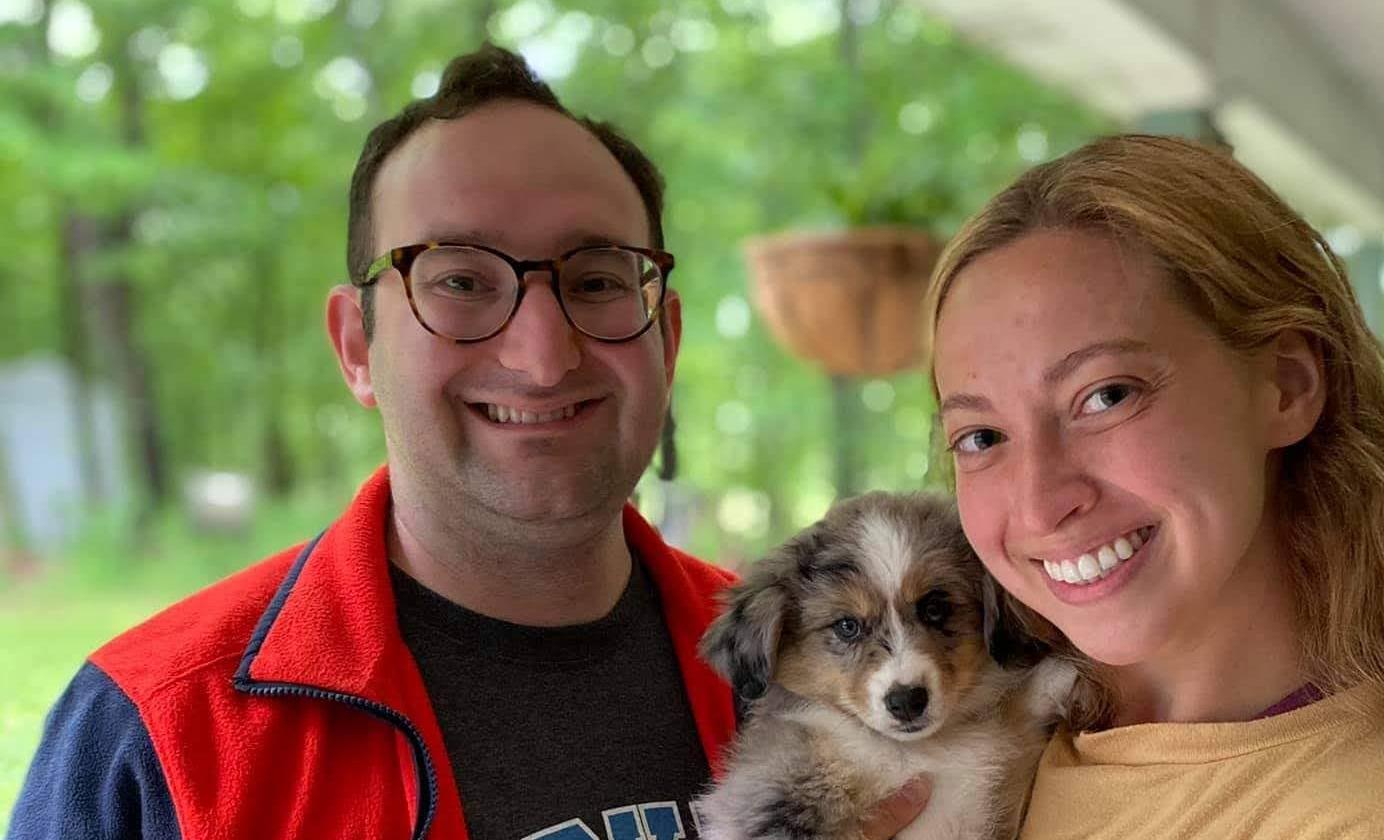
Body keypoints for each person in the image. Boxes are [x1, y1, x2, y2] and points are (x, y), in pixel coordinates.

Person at [6, 44, 927, 840]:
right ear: (356, 347)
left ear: (668, 340)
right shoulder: (154, 732)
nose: (542, 356)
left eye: (598, 280)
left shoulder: (808, 664)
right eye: (459, 281)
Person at [928, 134, 1384, 838]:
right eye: (982, 437)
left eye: (1106, 396)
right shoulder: (993, 756)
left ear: (1286, 385)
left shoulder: (1369, 818)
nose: (1040, 503)